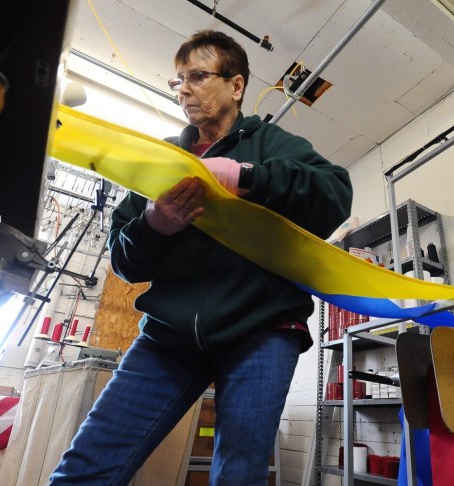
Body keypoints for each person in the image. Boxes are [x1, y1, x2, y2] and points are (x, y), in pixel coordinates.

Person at [50, 30, 352, 485]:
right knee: (88, 465)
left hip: (261, 329)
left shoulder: (269, 143)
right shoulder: (162, 157)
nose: (184, 89)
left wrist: (245, 176)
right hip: (169, 336)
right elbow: (125, 262)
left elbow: (335, 193)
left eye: (197, 76)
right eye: (178, 81)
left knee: (238, 474)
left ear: (236, 85)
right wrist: (155, 224)